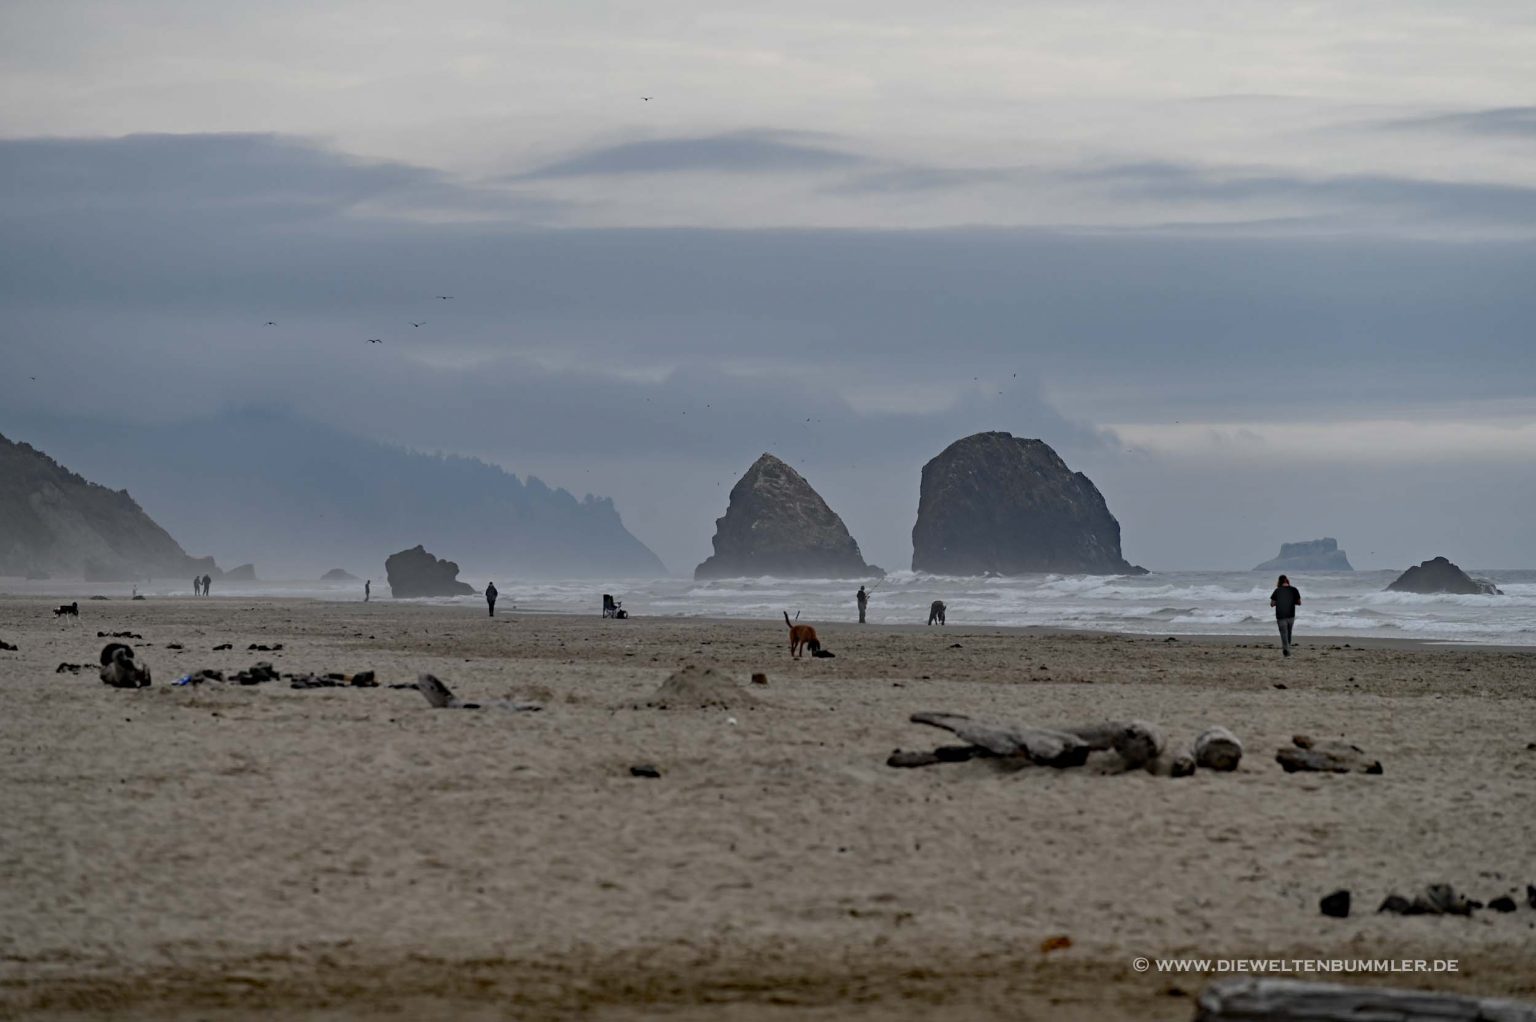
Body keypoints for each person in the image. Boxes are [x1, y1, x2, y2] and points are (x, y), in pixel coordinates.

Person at [1270, 574, 1301, 657]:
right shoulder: (1294, 590)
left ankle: (1286, 650)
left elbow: (1272, 604)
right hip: (1291, 615)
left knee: (1283, 633)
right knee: (1289, 633)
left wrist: (1280, 601)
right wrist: (1291, 601)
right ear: (1287, 581)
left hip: (1280, 616)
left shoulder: (1277, 590)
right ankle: (1287, 649)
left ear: (1279, 582)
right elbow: (1299, 603)